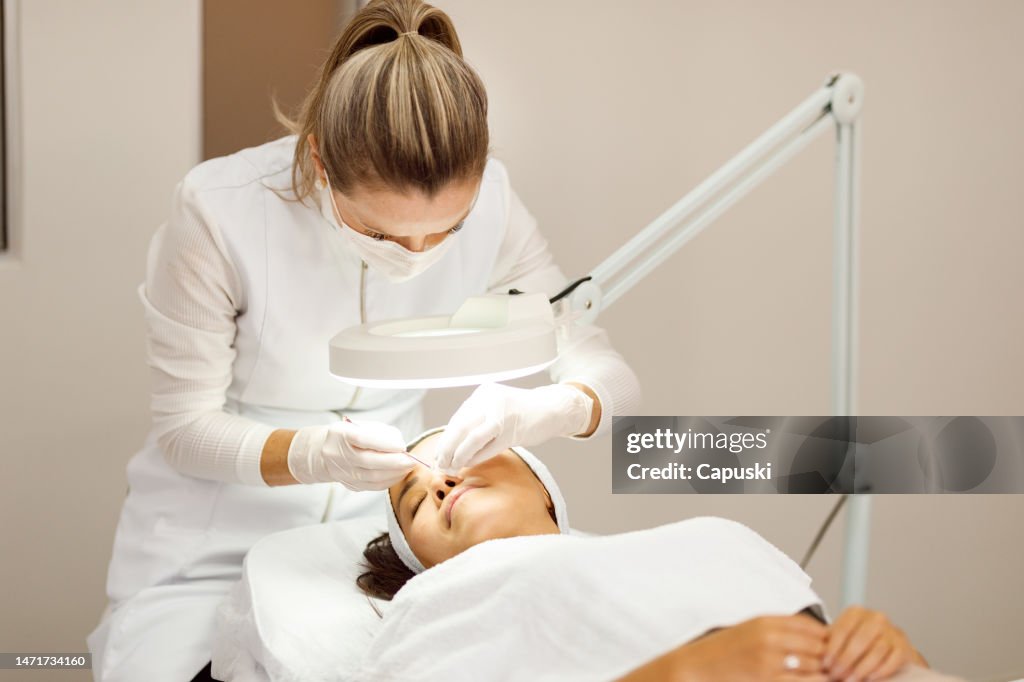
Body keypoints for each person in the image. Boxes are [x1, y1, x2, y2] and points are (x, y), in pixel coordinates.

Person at [86, 1, 640, 679]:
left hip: (371, 539)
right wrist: (315, 455)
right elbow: (184, 429)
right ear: (320, 160)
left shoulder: (495, 203)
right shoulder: (219, 211)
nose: (415, 254)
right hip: (210, 536)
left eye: (447, 231)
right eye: (381, 232)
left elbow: (606, 373)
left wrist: (554, 408)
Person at [359, 430, 950, 682]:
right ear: (423, 561)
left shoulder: (713, 536)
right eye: (415, 502)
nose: (441, 482)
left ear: (543, 485)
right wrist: (681, 672)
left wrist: (892, 654)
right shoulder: (432, 604)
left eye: (460, 452)